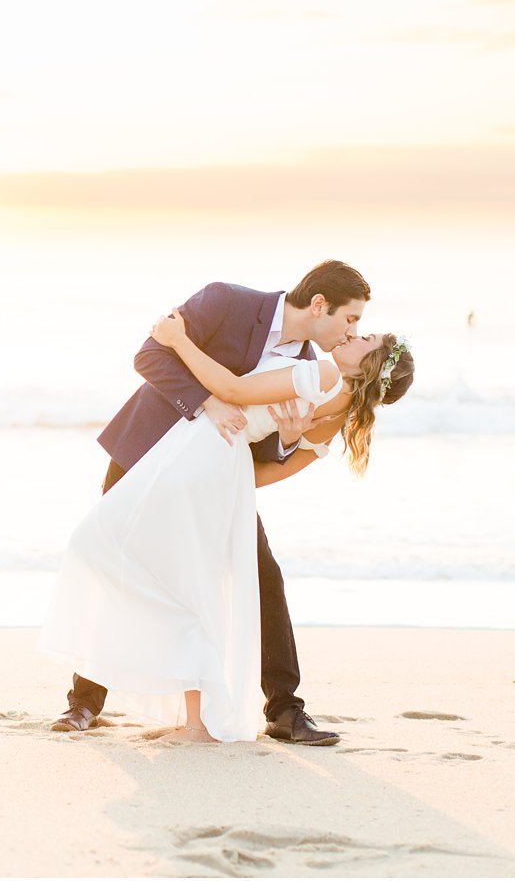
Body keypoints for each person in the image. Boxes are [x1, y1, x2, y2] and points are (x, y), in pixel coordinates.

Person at [41, 261, 410, 743]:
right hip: (148, 449)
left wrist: (284, 442)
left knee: (262, 575)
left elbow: (268, 440)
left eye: (360, 328)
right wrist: (204, 402)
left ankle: (284, 709)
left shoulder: (313, 365)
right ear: (320, 305)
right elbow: (149, 357)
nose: (352, 330)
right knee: (120, 565)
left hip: (214, 471)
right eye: (351, 319)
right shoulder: (228, 301)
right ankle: (84, 703)